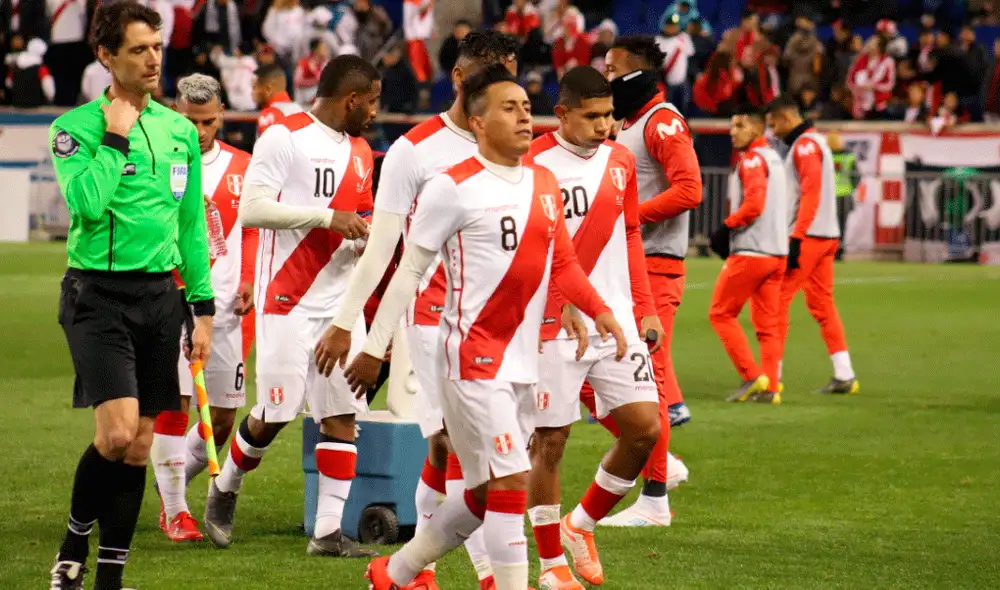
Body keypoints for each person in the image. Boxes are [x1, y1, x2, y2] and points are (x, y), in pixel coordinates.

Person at [350, 63, 627, 590]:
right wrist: (374, 344)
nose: (524, 117)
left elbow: (564, 263)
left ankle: (396, 571)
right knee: (511, 481)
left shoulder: (543, 182)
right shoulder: (451, 188)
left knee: (481, 494)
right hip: (471, 360)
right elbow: (409, 271)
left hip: (523, 359)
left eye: (526, 107)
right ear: (477, 122)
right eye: (509, 108)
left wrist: (600, 309)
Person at [314, 30, 521, 590]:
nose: (504, 91)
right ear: (459, 78)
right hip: (435, 323)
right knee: (473, 453)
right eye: (489, 75)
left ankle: (409, 569)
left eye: (509, 76)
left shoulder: (517, 150)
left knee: (456, 452)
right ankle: (485, 574)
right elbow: (384, 250)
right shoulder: (415, 151)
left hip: (505, 327)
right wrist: (356, 332)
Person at [48, 2, 214, 589]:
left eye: (157, 48)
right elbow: (87, 204)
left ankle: (111, 577)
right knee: (116, 434)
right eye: (138, 49)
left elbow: (191, 226)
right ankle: (73, 545)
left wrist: (203, 308)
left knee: (141, 447)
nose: (152, 59)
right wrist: (115, 135)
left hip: (160, 298)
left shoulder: (178, 130)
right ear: (106, 55)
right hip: (96, 296)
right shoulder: (73, 128)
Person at [202, 54, 380, 558]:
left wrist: (365, 235)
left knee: (342, 414)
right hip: (287, 298)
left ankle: (327, 533)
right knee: (275, 413)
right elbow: (252, 209)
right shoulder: (284, 135)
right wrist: (328, 218)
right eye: (371, 102)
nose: (375, 112)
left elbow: (361, 215)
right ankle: (225, 486)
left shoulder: (362, 152)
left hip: (340, 305)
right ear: (350, 99)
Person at [524, 65, 661, 589]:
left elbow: (630, 235)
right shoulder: (533, 161)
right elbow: (529, 245)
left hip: (615, 318)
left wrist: (644, 306)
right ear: (562, 114)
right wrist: (558, 301)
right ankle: (551, 565)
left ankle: (579, 525)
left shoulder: (621, 160)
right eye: (593, 116)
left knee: (644, 430)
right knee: (551, 441)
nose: (605, 125)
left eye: (610, 115)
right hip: (554, 322)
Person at [597, 35, 702, 527]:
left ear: (636, 71)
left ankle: (655, 498)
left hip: (655, 266)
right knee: (595, 371)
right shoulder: (630, 123)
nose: (607, 78)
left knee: (649, 381)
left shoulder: (663, 121)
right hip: (626, 266)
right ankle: (659, 457)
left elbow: (690, 188)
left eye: (612, 70)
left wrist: (629, 216)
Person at [148, 73, 257, 543]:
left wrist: (249, 277)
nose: (199, 130)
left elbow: (252, 227)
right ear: (177, 112)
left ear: (222, 116)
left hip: (227, 307)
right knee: (176, 404)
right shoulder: (158, 159)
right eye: (191, 120)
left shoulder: (243, 166)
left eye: (208, 121)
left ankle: (169, 477)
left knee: (224, 419)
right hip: (171, 300)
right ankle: (176, 509)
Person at [765, 95, 858, 394]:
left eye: (774, 124)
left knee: (777, 301)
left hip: (809, 238)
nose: (772, 131)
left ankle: (772, 377)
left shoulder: (804, 146)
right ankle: (844, 373)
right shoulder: (814, 142)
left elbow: (811, 193)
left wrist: (796, 236)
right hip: (826, 235)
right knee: (822, 305)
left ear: (787, 117)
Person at [708, 107, 788, 404]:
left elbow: (754, 205)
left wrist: (726, 227)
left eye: (739, 125)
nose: (732, 132)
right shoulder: (775, 159)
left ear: (755, 129)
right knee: (767, 327)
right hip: (777, 253)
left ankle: (751, 376)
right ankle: (771, 387)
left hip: (753, 251)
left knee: (720, 313)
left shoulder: (753, 160)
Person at [826, 131, 856, 260]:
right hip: (845, 195)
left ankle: (830, 250)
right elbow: (856, 176)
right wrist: (850, 188)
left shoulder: (825, 156)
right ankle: (839, 250)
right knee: (842, 225)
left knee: (828, 225)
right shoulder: (849, 156)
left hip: (829, 196)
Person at [252, 62, 303, 136]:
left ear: (268, 89)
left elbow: (268, 143)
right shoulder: (299, 109)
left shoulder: (270, 114)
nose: (252, 93)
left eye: (254, 88)